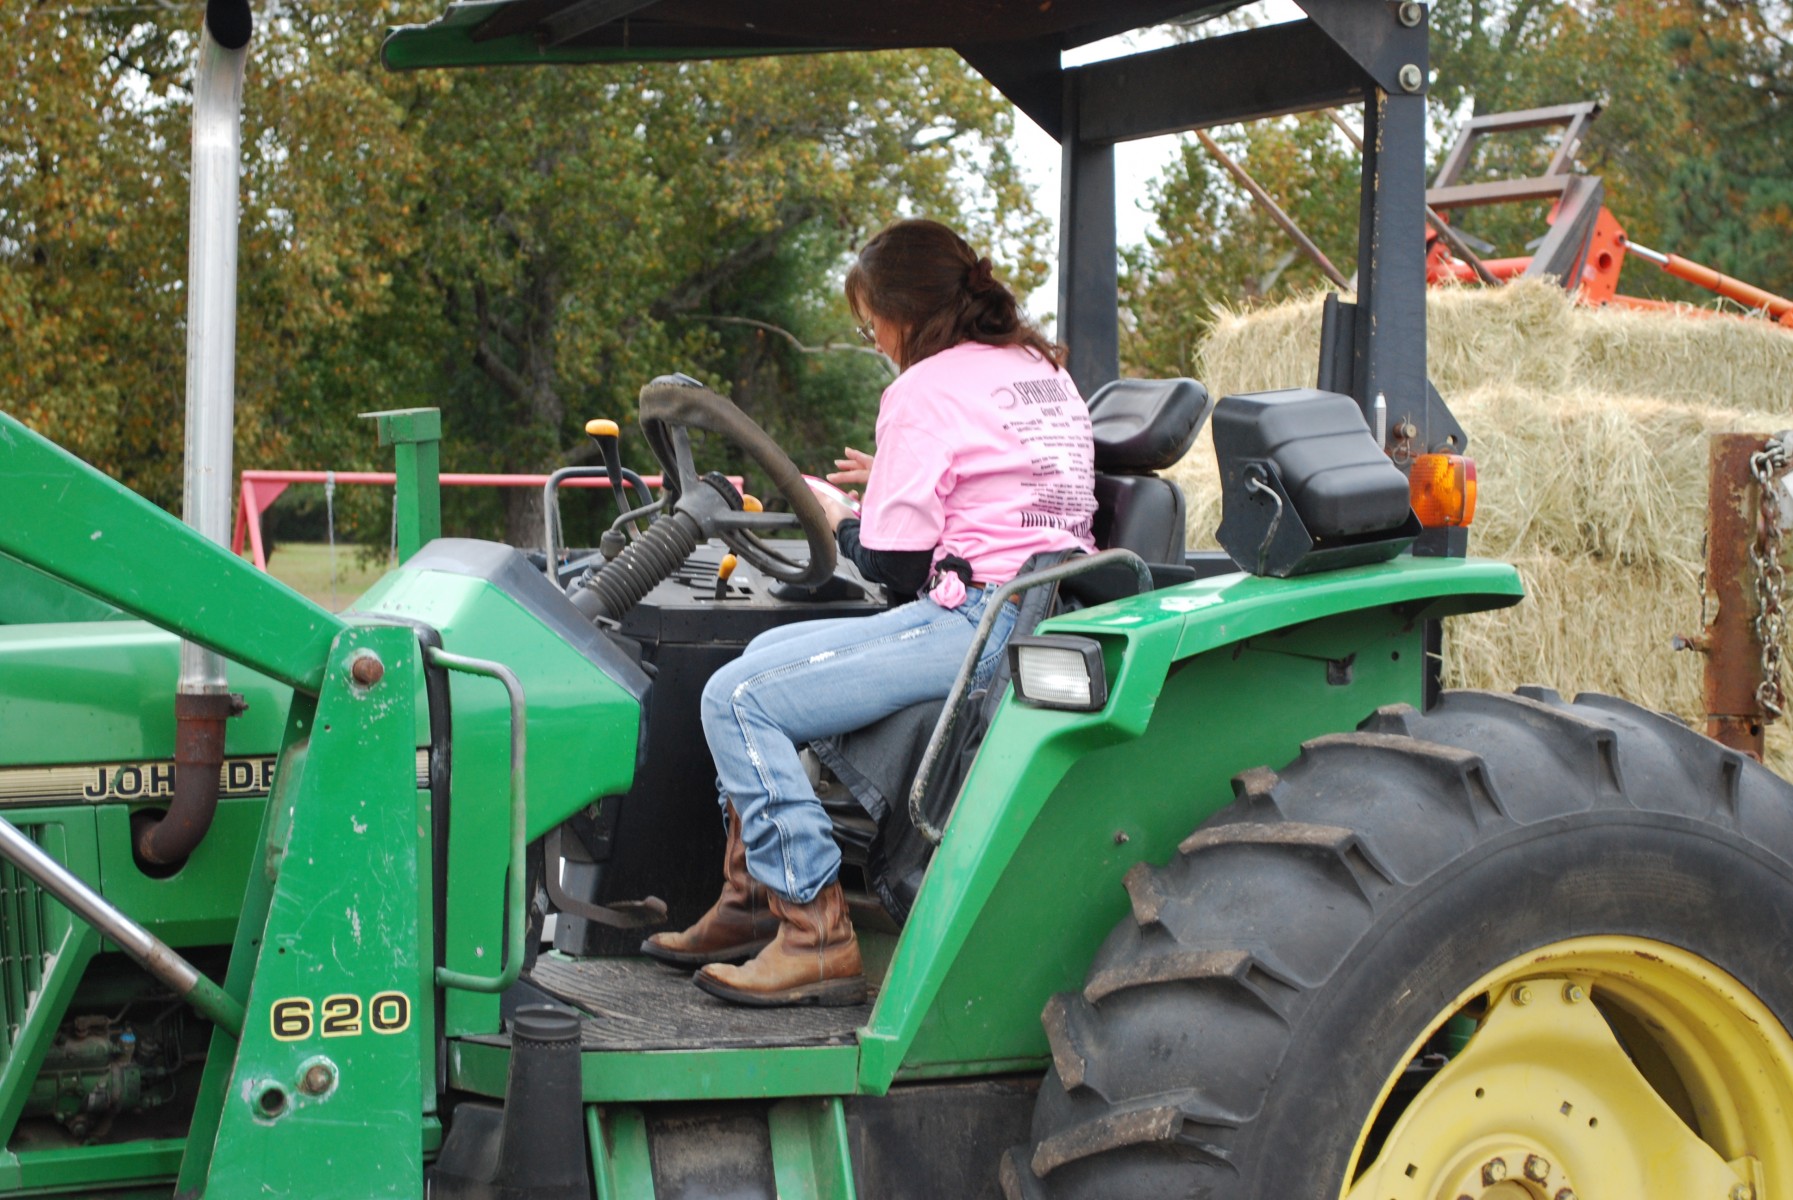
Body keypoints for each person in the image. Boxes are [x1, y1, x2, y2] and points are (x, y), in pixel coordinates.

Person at [643, 219, 1099, 1007]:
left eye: (869, 326)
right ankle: (751, 899)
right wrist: (890, 479)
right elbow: (993, 481)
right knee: (754, 662)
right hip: (1045, 602)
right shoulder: (1039, 369)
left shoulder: (921, 390)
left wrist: (840, 513)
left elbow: (893, 564)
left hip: (979, 621)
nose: (876, 342)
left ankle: (813, 935)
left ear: (903, 315)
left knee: (737, 699)